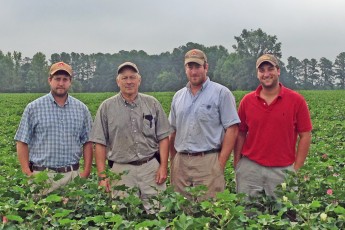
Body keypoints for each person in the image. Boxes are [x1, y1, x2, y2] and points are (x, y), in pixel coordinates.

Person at [90, 62, 171, 213]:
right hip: (121, 170)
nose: (129, 81)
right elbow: (99, 143)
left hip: (150, 167)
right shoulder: (106, 107)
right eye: (124, 78)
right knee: (124, 215)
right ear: (118, 81)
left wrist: (163, 166)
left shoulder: (152, 103)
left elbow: (164, 137)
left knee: (160, 213)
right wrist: (102, 176)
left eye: (132, 77)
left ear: (139, 80)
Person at [234, 54, 312, 199]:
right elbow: (241, 133)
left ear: (278, 71)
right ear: (257, 74)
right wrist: (237, 164)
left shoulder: (296, 100)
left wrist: (296, 168)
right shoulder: (247, 101)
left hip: (283, 169)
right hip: (250, 167)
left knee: (286, 216)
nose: (266, 74)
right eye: (262, 70)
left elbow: (305, 135)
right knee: (246, 213)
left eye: (270, 69)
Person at [169, 49, 240, 200]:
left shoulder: (222, 93)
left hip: (208, 160)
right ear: (185, 69)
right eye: (190, 67)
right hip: (181, 163)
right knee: (182, 212)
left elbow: (232, 129)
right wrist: (173, 160)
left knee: (210, 213)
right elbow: (172, 131)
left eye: (197, 67)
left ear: (206, 67)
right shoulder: (178, 96)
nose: (193, 71)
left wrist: (220, 163)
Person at [14, 61, 93, 195]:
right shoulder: (33, 108)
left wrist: (85, 173)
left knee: (73, 214)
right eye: (57, 79)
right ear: (50, 80)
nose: (61, 83)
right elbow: (22, 142)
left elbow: (88, 143)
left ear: (70, 82)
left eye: (65, 79)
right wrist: (27, 173)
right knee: (40, 214)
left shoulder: (82, 109)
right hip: (42, 176)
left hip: (72, 176)